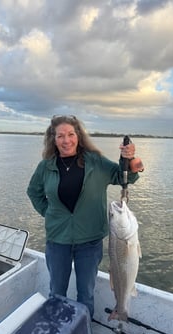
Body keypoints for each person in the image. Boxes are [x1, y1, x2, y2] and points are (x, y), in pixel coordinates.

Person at [27, 115, 143, 318]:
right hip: (57, 240)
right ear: (53, 139)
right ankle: (58, 329)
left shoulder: (95, 161)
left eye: (71, 134)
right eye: (60, 136)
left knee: (86, 295)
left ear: (78, 136)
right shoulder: (46, 166)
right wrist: (50, 214)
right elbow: (33, 192)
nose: (66, 140)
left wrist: (131, 159)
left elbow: (123, 176)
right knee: (56, 293)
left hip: (89, 241)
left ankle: (84, 328)